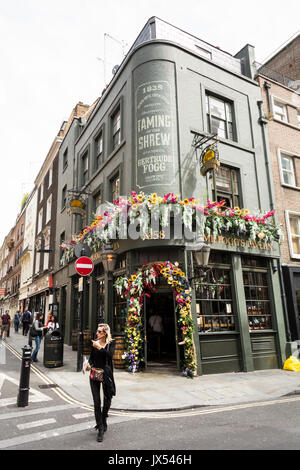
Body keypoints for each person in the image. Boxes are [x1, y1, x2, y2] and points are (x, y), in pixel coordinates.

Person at [86, 323, 116, 443]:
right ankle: (100, 428)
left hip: (106, 375)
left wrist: (99, 347)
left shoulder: (111, 343)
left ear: (105, 333)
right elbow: (91, 358)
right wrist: (88, 365)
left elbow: (109, 355)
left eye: (99, 332)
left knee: (107, 399)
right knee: (97, 402)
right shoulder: (95, 343)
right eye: (97, 331)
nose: (97, 333)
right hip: (94, 375)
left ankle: (103, 419)